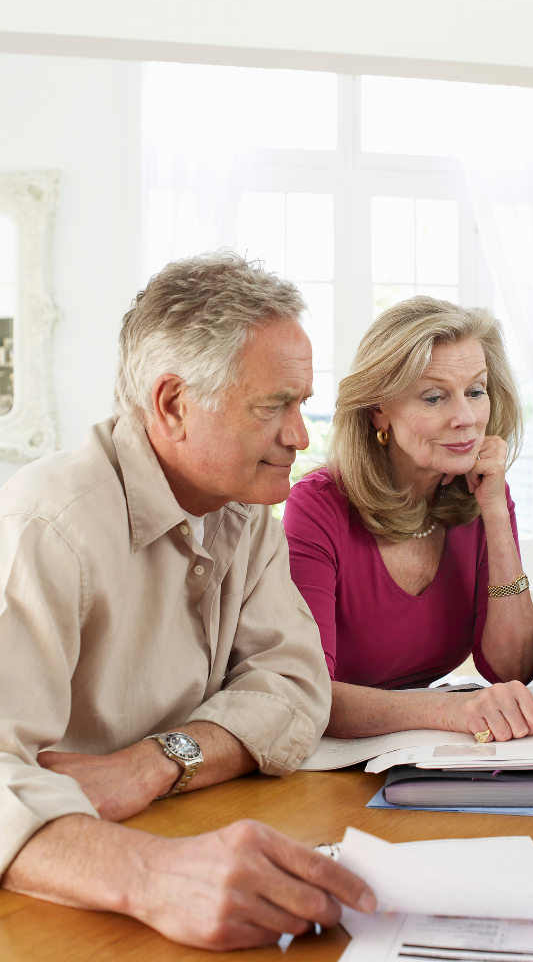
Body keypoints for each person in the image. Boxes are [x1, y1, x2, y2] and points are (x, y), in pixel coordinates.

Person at [0, 254, 375, 950]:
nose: (300, 436)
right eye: (274, 407)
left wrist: (157, 761)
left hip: (178, 845)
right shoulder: (46, 526)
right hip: (64, 910)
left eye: (301, 404)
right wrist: (152, 874)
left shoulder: (245, 514)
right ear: (172, 405)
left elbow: (295, 688)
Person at [284, 297, 533, 742]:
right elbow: (308, 695)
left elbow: (514, 667)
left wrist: (495, 513)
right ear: (378, 409)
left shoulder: (482, 493)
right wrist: (454, 709)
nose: (466, 418)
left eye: (476, 391)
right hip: (328, 759)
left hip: (417, 746)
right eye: (434, 397)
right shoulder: (317, 507)